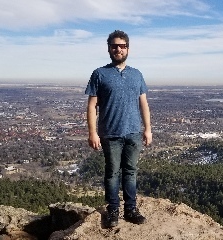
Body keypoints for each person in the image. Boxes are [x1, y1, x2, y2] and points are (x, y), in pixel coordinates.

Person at [85, 30, 152, 227]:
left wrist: (147, 129)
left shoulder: (136, 74)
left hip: (133, 132)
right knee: (113, 172)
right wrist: (92, 132)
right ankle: (113, 210)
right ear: (109, 48)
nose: (118, 49)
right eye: (114, 46)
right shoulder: (100, 74)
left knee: (130, 171)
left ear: (128, 49)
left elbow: (144, 104)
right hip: (110, 133)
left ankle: (130, 209)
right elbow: (91, 106)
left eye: (122, 46)